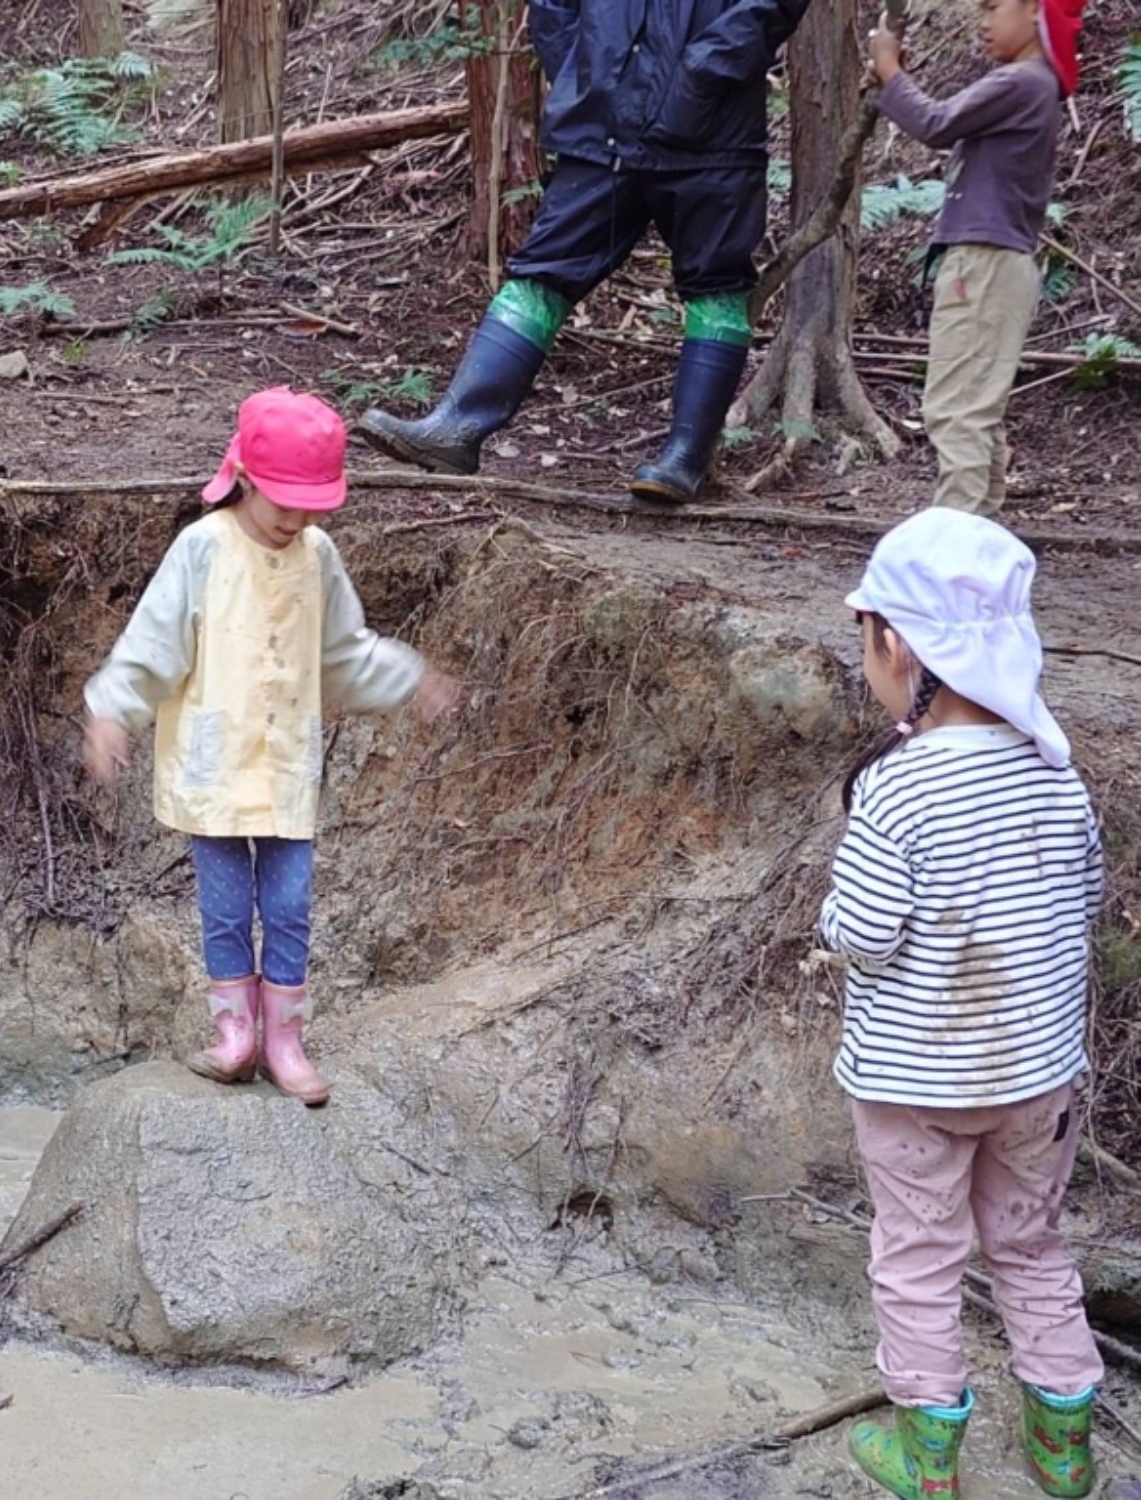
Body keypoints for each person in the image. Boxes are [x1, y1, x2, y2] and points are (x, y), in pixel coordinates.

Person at [819, 508, 1103, 1499]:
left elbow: (859, 935)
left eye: (863, 638)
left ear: (894, 643)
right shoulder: (1053, 774)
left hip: (911, 1083)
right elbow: (1086, 897)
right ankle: (1062, 1449)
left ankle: (925, 1457)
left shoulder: (896, 791)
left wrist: (832, 928)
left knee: (916, 1257)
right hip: (1036, 1077)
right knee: (1027, 1245)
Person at [82, 388, 455, 1106]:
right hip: (214, 767)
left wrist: (409, 678)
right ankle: (235, 1034)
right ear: (245, 478)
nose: (296, 517)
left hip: (285, 767)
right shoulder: (202, 547)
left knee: (287, 905)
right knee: (225, 909)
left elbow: (344, 651)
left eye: (311, 503)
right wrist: (111, 712)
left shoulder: (318, 556)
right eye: (283, 499)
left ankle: (285, 1039)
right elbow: (153, 642)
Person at [358, 0, 810, 504]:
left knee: (717, 286)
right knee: (542, 272)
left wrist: (706, 68)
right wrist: (583, 66)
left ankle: (686, 459)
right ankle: (456, 428)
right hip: (603, 123)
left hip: (712, 132)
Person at [869, 0, 1082, 516]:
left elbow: (937, 123)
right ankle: (977, 535)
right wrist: (887, 84)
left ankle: (954, 551)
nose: (983, 21)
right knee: (977, 410)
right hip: (1001, 265)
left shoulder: (1021, 81)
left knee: (956, 411)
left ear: (1036, 12)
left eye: (993, 7)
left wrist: (888, 66)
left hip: (982, 265)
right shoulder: (1034, 86)